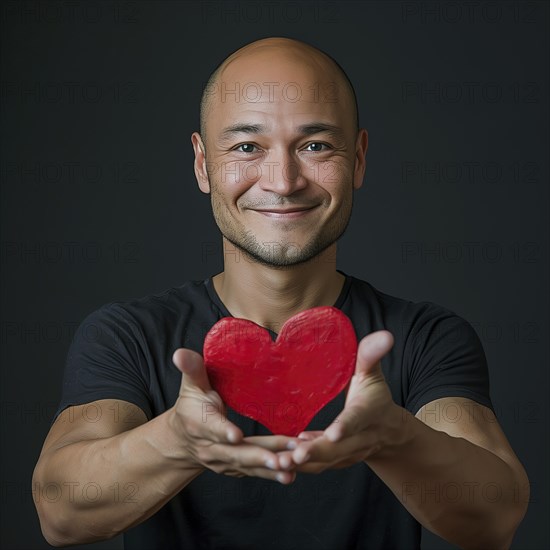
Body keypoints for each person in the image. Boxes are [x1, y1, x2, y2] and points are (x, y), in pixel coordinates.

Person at [33, 37, 529, 549]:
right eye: (247, 147)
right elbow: (59, 511)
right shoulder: (128, 335)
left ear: (357, 159)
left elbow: (496, 517)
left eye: (315, 146)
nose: (284, 181)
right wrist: (177, 441)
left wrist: (395, 438)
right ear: (203, 164)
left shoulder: (426, 337)